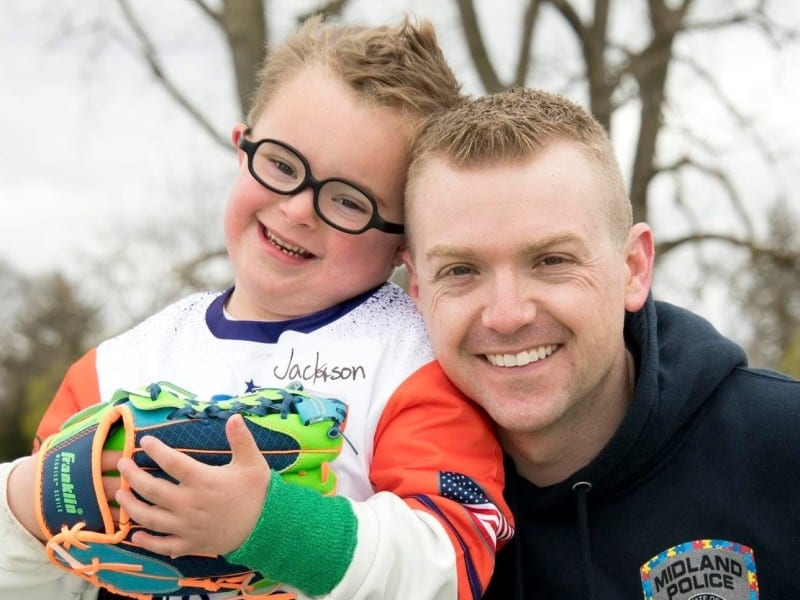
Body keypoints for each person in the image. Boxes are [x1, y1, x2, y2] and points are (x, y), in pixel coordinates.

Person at [0, 16, 514, 600]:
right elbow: (41, 581)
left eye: (349, 200)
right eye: (282, 165)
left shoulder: (419, 360)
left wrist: (267, 526)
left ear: (404, 241)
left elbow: (449, 559)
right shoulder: (116, 367)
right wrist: (18, 504)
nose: (298, 210)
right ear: (241, 146)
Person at [401, 86, 800, 599]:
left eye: (552, 261)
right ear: (417, 290)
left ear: (633, 269)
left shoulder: (783, 449)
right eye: (460, 270)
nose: (506, 315)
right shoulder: (386, 513)